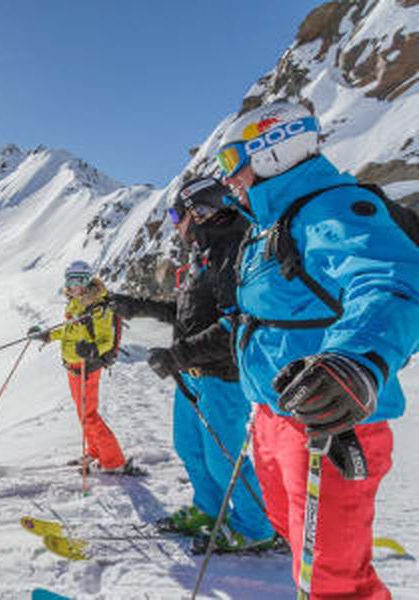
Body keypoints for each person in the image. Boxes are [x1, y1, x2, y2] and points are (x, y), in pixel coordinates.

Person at [216, 100, 419, 599]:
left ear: (271, 149)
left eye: (230, 161)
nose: (228, 179)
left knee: (333, 583)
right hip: (274, 415)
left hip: (329, 420)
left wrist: (354, 362)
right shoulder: (271, 225)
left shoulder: (329, 207)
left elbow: (391, 280)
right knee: (297, 546)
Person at [110, 177, 274, 550]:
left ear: (201, 210)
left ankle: (255, 529)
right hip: (191, 374)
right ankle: (209, 511)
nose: (174, 224)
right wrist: (138, 306)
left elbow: (236, 325)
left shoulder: (232, 252)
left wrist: (176, 356)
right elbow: (186, 315)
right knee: (190, 448)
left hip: (221, 376)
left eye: (176, 214)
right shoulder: (203, 254)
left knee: (224, 459)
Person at [28, 260, 130, 474]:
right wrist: (47, 335)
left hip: (87, 368)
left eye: (79, 280)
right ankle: (95, 451)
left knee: (89, 415)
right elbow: (68, 330)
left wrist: (92, 349)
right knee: (82, 413)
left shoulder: (98, 306)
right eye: (70, 280)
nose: (74, 285)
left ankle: (114, 461)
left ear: (88, 280)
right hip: (73, 367)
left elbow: (106, 341)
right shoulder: (75, 302)